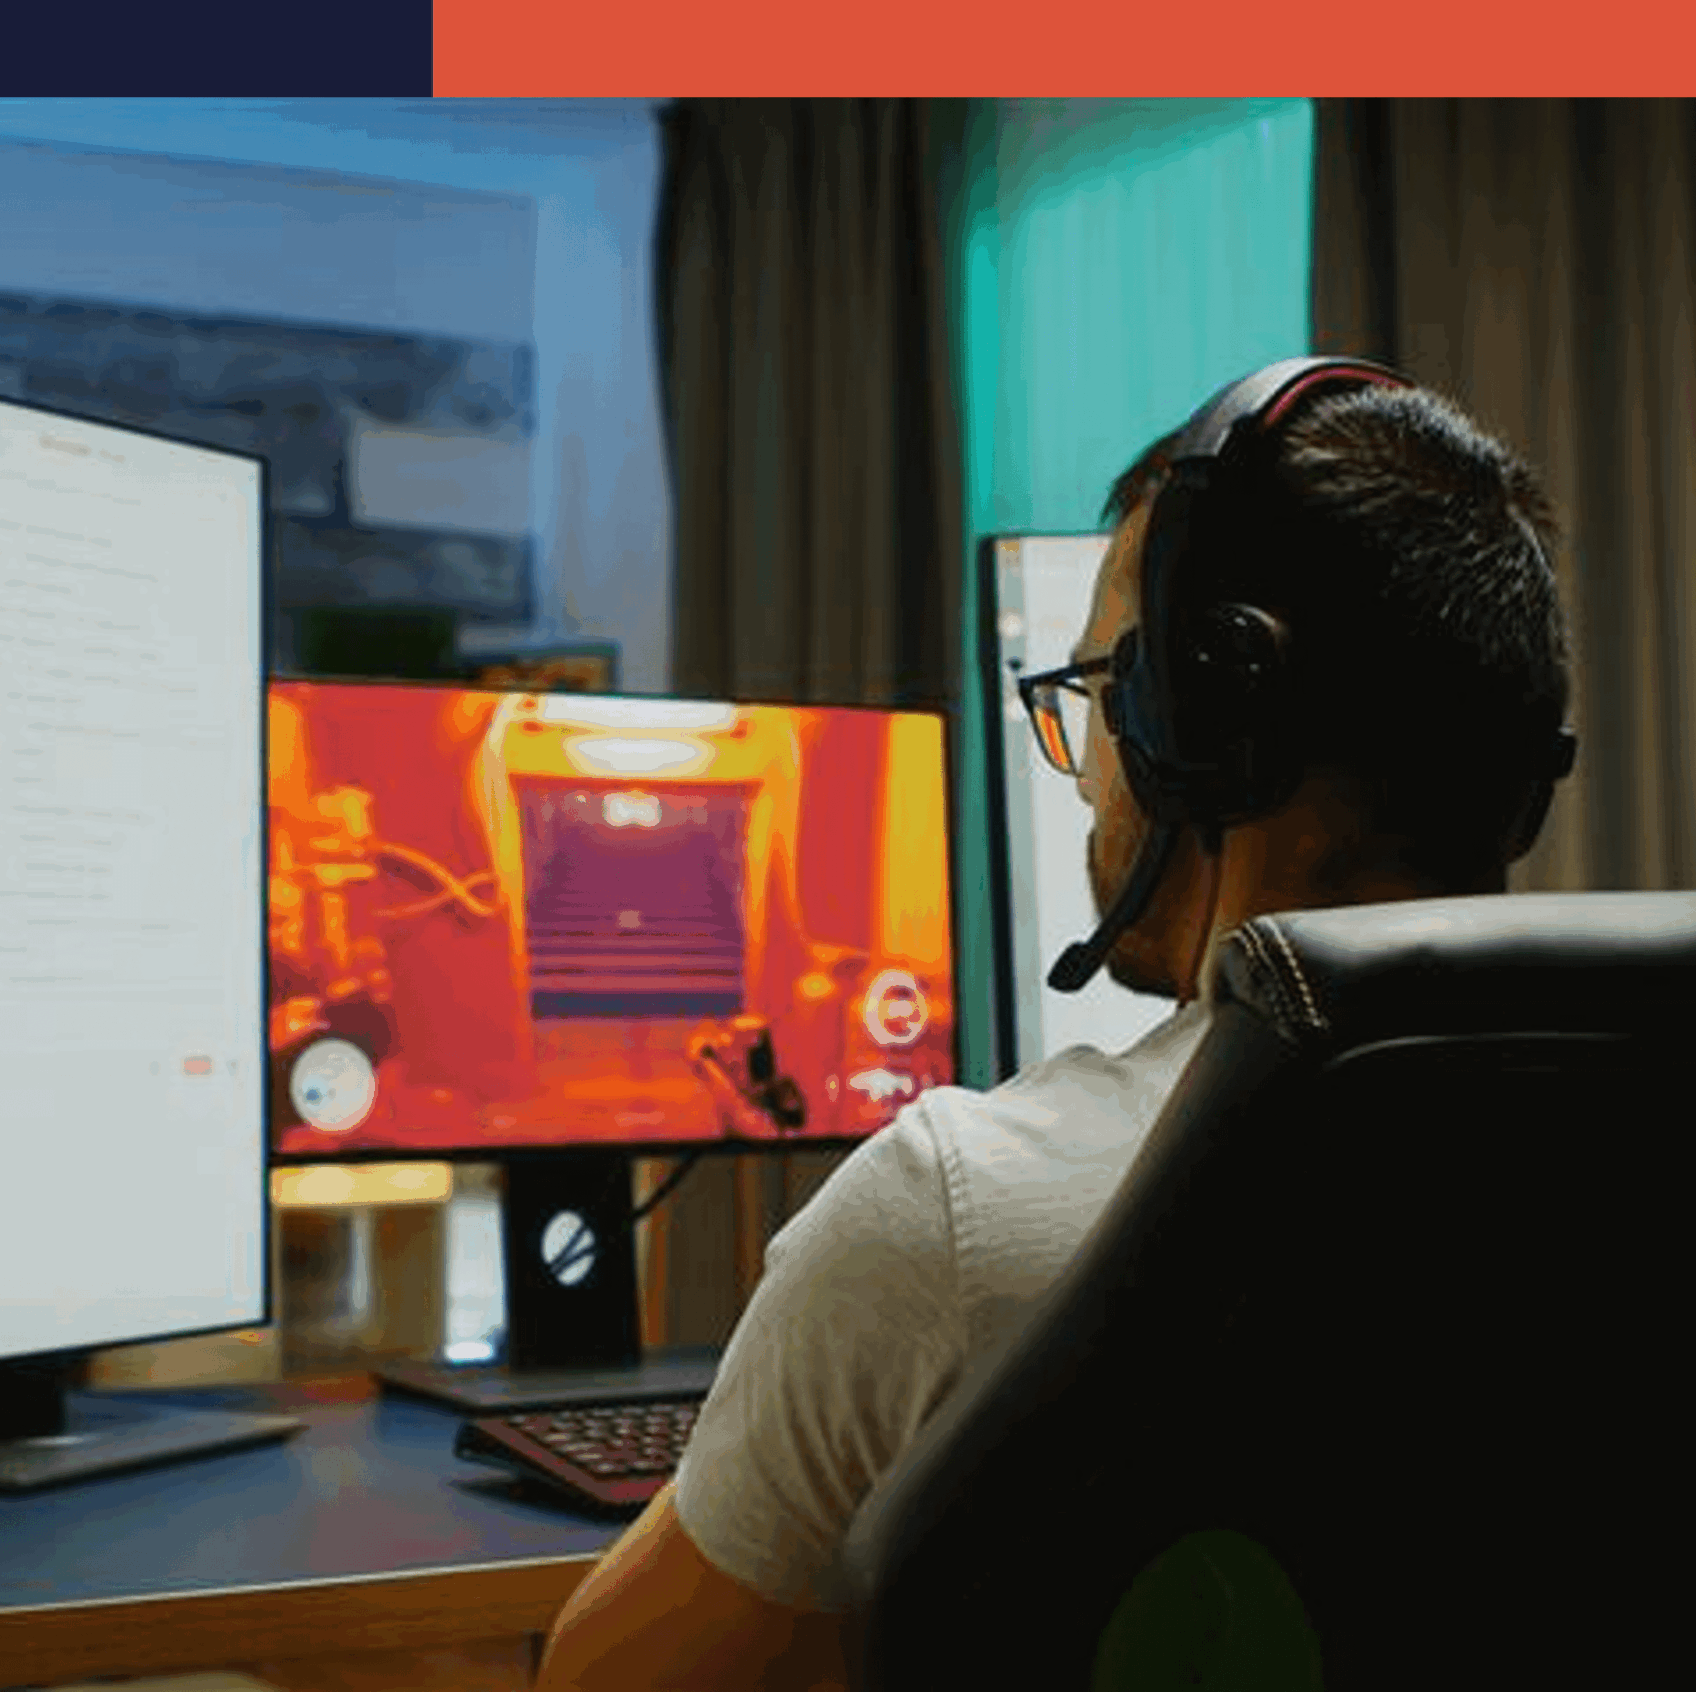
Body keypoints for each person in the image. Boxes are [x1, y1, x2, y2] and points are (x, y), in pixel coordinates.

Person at [530, 363, 1574, 1692]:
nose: (1090, 768)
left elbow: (609, 1684)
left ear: (1202, 720)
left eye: (1099, 694)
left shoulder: (961, 1211)